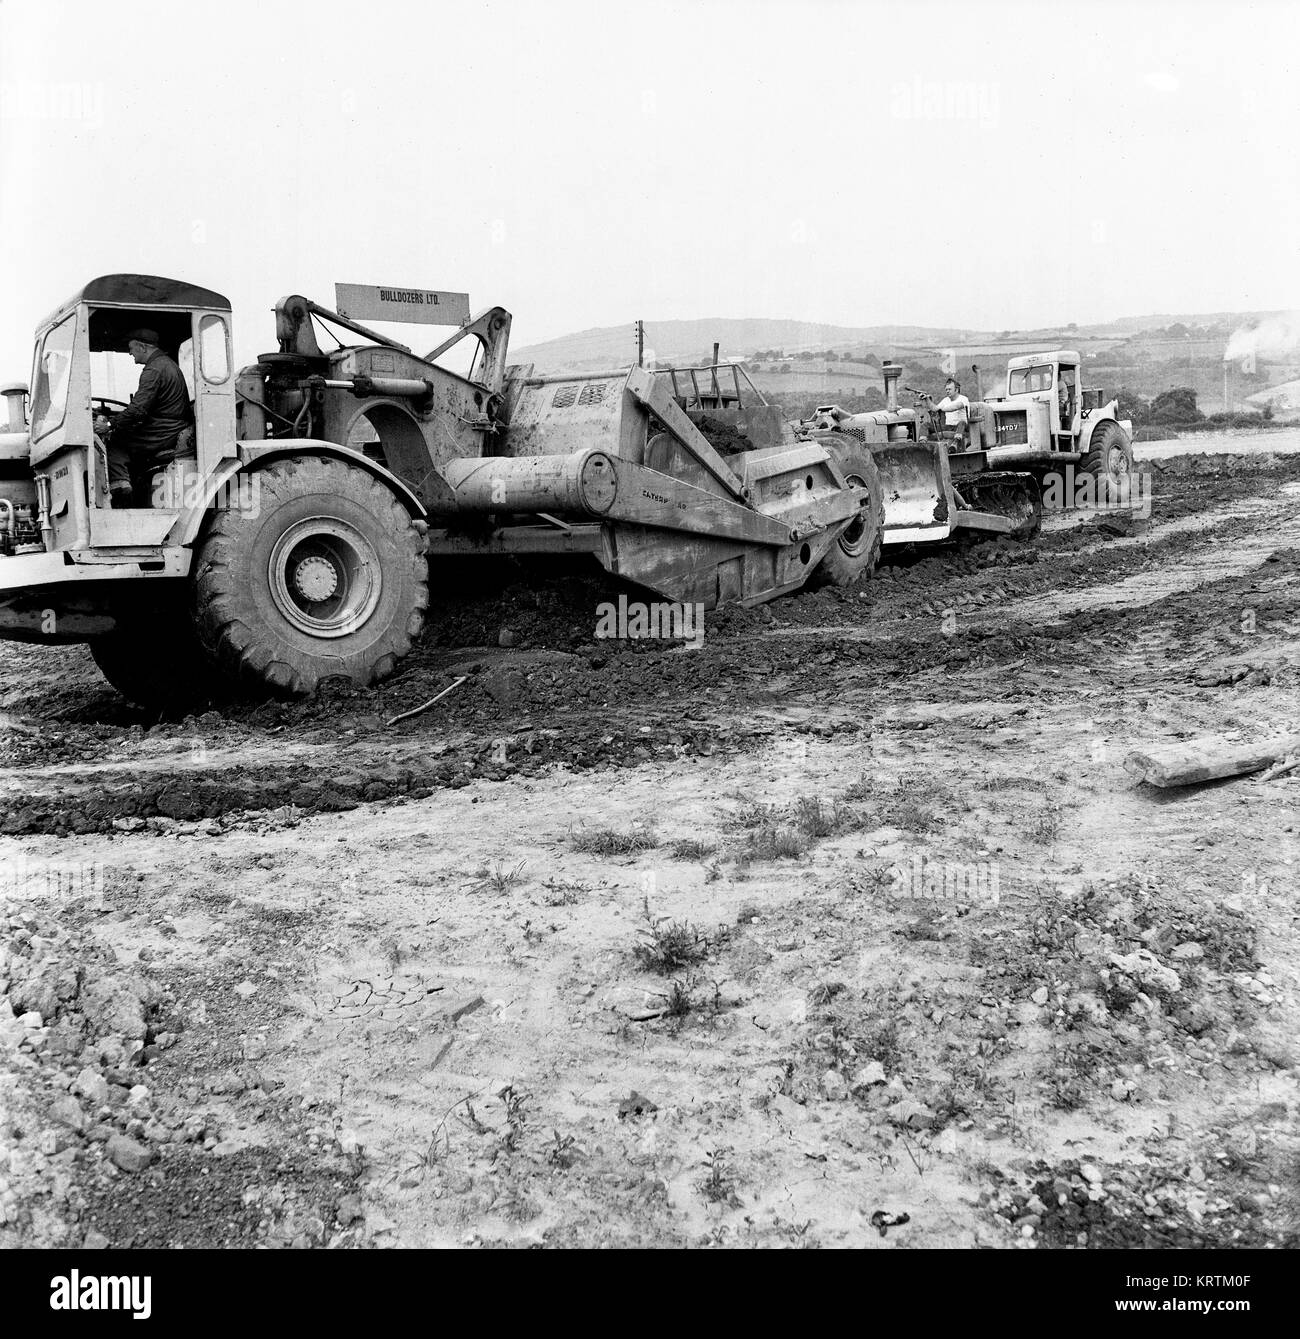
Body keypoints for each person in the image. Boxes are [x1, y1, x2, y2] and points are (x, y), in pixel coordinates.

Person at [96, 328, 192, 507]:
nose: (130, 353)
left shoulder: (154, 370)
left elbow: (137, 410)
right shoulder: (167, 365)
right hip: (171, 428)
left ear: (142, 347)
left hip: (163, 432)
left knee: (112, 443)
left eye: (131, 348)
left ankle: (120, 493)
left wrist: (109, 424)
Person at [934, 377, 971, 447]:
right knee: (926, 425)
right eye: (946, 389)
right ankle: (924, 444)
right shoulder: (945, 400)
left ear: (956, 390)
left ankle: (955, 443)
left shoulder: (963, 399)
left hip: (961, 427)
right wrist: (927, 399)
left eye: (949, 389)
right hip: (948, 426)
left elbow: (955, 407)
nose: (947, 391)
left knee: (962, 422)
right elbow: (935, 408)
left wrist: (941, 409)